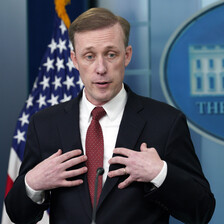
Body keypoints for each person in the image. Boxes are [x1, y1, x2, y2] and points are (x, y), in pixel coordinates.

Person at [5, 7, 215, 224]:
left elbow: (202, 210)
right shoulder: (45, 124)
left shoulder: (166, 122)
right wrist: (33, 182)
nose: (100, 68)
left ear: (127, 55)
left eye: (111, 54)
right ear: (75, 60)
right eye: (89, 56)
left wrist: (160, 173)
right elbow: (17, 214)